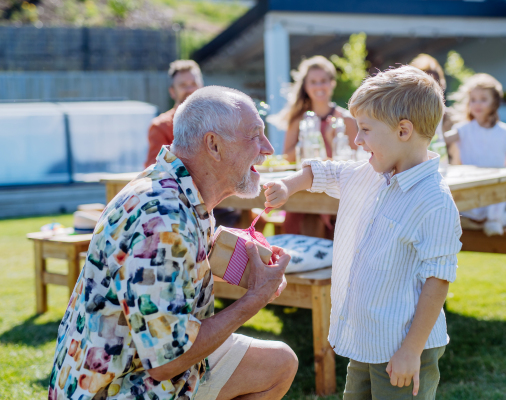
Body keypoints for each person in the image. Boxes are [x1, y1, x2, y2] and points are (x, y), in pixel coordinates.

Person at [48, 86, 298, 400]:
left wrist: (247, 264)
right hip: (119, 385)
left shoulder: (177, 187)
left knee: (278, 363)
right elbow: (166, 362)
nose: (268, 148)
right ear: (214, 145)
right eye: (255, 135)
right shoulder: (163, 221)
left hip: (137, 362)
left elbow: (183, 263)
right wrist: (255, 298)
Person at [263, 66, 462, 400]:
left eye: (366, 129)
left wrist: (411, 351)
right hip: (367, 340)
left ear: (403, 131)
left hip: (404, 347)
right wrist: (288, 184)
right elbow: (326, 171)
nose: (356, 140)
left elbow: (438, 280)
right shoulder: (369, 173)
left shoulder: (434, 201)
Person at [272, 55, 358, 237]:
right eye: (313, 82)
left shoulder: (347, 119)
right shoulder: (298, 120)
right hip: (305, 188)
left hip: (336, 189)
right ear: (305, 85)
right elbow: (286, 156)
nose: (319, 86)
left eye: (323, 81)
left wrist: (335, 141)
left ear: (332, 83)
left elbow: (357, 158)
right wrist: (309, 141)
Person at [445, 73, 506, 236]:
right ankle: (498, 219)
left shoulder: (504, 132)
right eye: (473, 99)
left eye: (483, 99)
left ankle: (496, 220)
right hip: (472, 186)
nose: (477, 104)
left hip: (495, 187)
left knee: (498, 194)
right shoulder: (464, 129)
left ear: (494, 103)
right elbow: (444, 140)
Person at [144, 60, 203, 168]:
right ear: (172, 91)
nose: (190, 90)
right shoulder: (160, 127)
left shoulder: (216, 121)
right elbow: (156, 170)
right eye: (183, 85)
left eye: (194, 84)